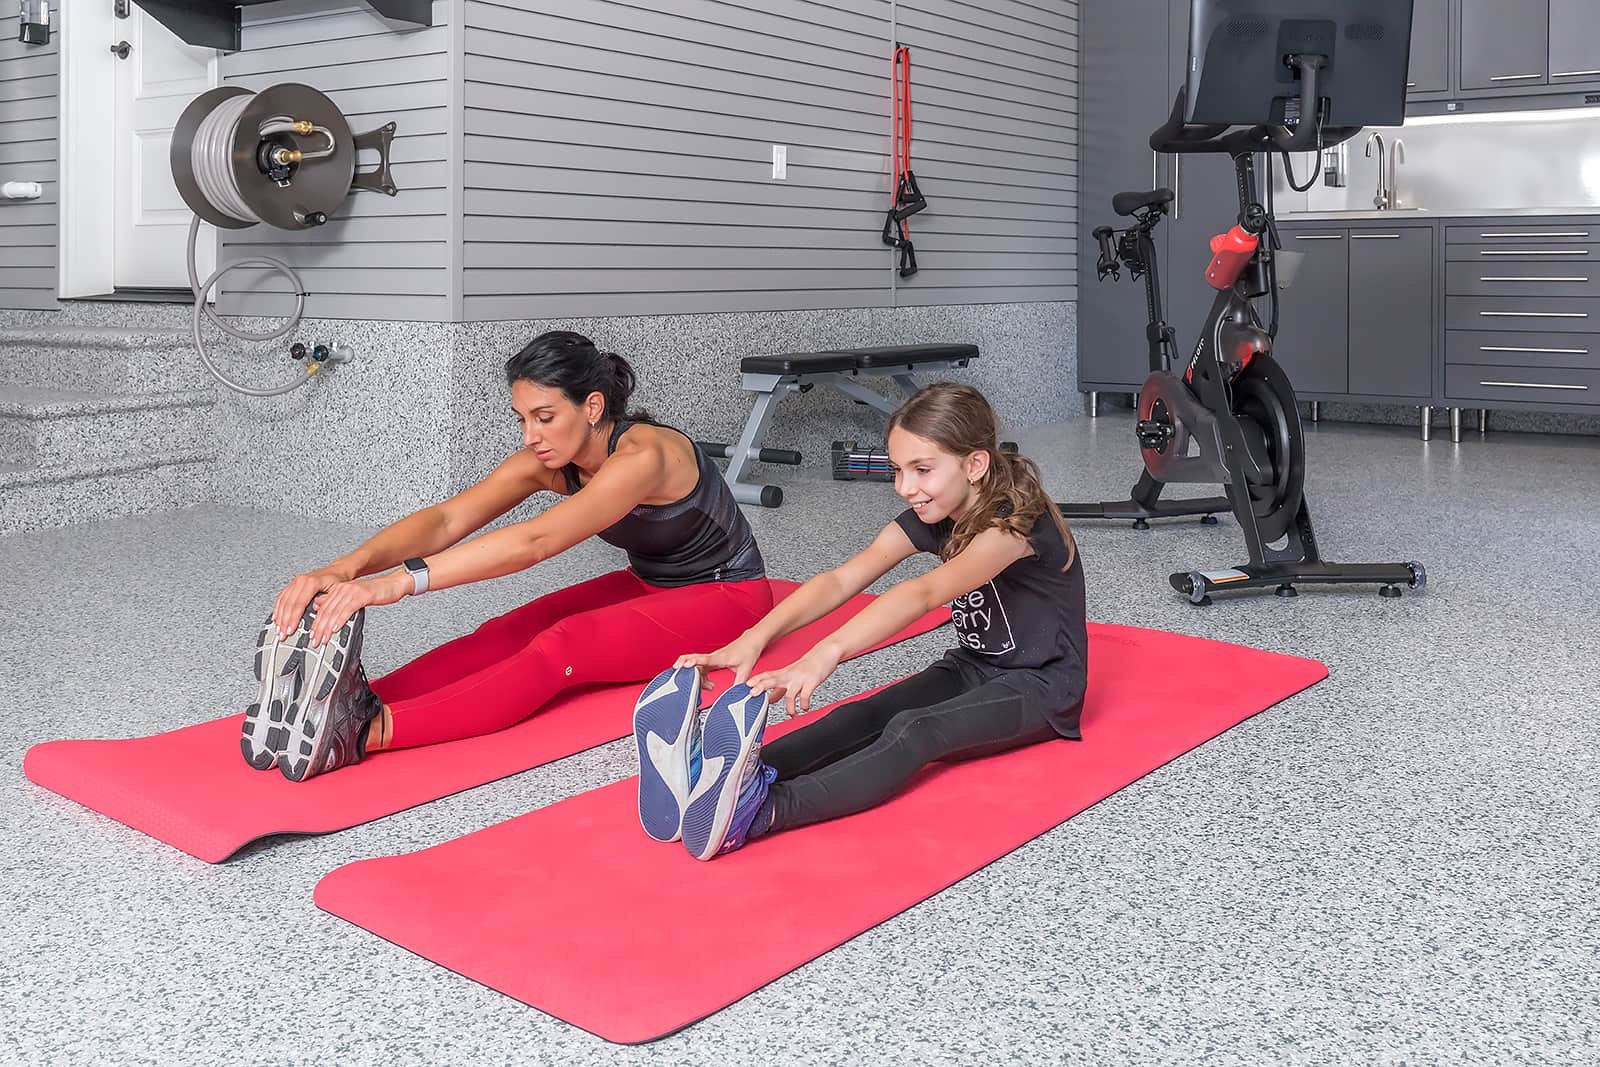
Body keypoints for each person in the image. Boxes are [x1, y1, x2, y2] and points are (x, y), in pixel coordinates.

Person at [243, 330, 772, 782]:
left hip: (730, 596)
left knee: (564, 646)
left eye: (544, 417)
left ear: (592, 406)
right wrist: (346, 567)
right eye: (522, 418)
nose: (531, 436)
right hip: (650, 583)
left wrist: (397, 584)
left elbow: (535, 542)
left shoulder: (645, 456)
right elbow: (448, 520)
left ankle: (364, 734)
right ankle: (350, 701)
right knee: (504, 631)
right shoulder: (553, 459)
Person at [632, 382, 1087, 860]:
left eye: (922, 469)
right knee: (860, 715)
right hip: (974, 666)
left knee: (916, 729)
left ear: (975, 464)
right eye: (897, 471)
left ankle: (760, 812)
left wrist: (823, 654)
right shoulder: (938, 510)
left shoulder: (1013, 526)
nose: (905, 487)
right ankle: (718, 783)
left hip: (1042, 687)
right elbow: (842, 579)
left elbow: (923, 592)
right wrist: (753, 638)